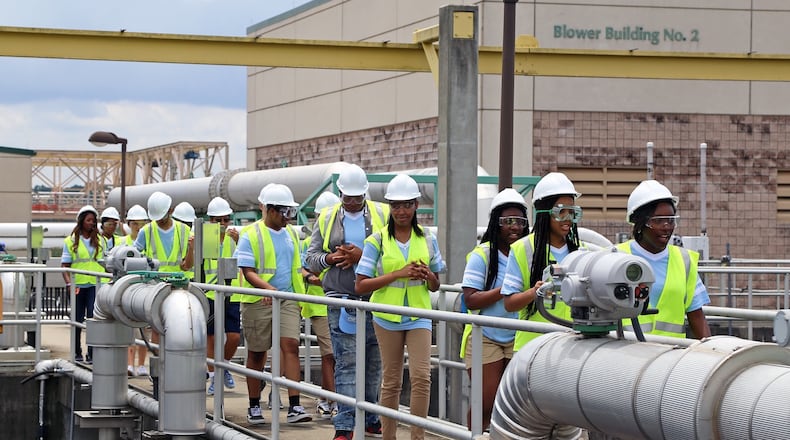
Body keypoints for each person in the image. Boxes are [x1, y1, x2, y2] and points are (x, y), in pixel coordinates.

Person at [355, 174, 445, 440]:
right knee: (392, 380)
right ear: (390, 208)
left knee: (421, 377)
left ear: (417, 205)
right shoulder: (378, 241)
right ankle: (389, 436)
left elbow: (436, 286)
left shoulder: (428, 239)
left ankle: (417, 436)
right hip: (386, 317)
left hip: (419, 316)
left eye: (407, 205)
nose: (401, 211)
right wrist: (398, 274)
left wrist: (428, 275)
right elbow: (361, 285)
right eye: (396, 205)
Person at [305, 164, 389, 440]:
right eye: (347, 197)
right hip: (341, 298)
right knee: (347, 362)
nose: (352, 203)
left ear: (366, 194)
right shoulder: (328, 217)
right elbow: (311, 260)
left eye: (357, 197)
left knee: (374, 362)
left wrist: (361, 256)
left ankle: (370, 416)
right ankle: (345, 424)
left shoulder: (382, 214)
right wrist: (330, 259)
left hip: (377, 298)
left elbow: (392, 256)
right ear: (339, 193)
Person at [235, 183, 312, 425]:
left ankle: (295, 406)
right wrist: (267, 289)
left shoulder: (291, 234)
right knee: (257, 353)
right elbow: (247, 271)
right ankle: (254, 405)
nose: (288, 217)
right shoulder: (250, 234)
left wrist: (298, 294)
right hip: (259, 301)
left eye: (290, 212)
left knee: (290, 345)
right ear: (268, 209)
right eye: (284, 212)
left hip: (287, 299)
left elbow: (296, 268)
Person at [459, 188, 528, 430]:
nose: (514, 227)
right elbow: (470, 299)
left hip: (518, 335)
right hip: (485, 336)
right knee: (486, 402)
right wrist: (505, 290)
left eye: (519, 221)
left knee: (512, 406)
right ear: (495, 223)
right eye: (507, 221)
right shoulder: (483, 255)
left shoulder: (529, 253)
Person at [616, 179, 711, 339]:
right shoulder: (615, 257)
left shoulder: (684, 260)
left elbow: (697, 316)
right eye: (658, 221)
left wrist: (711, 353)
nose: (667, 226)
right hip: (627, 355)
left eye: (671, 220)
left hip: (671, 357)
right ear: (639, 222)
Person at [502, 172, 584, 351]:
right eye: (561, 212)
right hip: (532, 347)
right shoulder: (522, 249)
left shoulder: (581, 251)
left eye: (572, 212)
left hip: (572, 347)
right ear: (544, 213)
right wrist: (534, 292)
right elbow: (509, 303)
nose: (568, 218)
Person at [134, 191, 195, 353]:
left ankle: (176, 359)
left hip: (180, 286)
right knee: (157, 325)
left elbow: (186, 266)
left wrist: (191, 249)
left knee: (181, 324)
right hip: (155, 286)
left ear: (171, 210)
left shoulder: (184, 231)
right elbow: (134, 257)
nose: (159, 220)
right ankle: (158, 364)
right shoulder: (146, 231)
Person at [300, 191, 341, 418]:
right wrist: (310, 277)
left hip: (342, 302)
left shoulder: (344, 241)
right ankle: (331, 400)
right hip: (319, 304)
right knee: (330, 354)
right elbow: (303, 267)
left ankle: (328, 397)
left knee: (340, 355)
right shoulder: (309, 242)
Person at [204, 196, 242, 395]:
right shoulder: (204, 237)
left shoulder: (235, 238)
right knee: (210, 337)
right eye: (217, 220)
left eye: (225, 219)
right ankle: (213, 377)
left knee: (234, 336)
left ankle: (224, 366)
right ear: (210, 220)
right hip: (210, 293)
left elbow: (244, 260)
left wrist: (239, 241)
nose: (222, 224)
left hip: (232, 293)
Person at [61, 205, 104, 363]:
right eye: (88, 220)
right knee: (77, 320)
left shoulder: (99, 240)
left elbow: (104, 262)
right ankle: (77, 352)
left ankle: (91, 353)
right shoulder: (70, 241)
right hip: (78, 285)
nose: (92, 223)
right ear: (81, 221)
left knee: (93, 320)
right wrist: (69, 284)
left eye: (93, 221)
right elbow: (64, 267)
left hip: (94, 284)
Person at [124, 204, 150, 376]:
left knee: (144, 331)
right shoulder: (123, 242)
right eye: (135, 224)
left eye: (141, 223)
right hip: (128, 288)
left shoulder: (148, 240)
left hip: (145, 287)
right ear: (129, 224)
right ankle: (129, 364)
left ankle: (141, 364)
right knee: (129, 329)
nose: (139, 227)